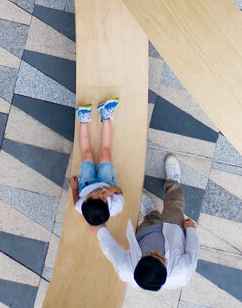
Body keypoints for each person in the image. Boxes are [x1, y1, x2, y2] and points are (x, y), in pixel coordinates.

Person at [96, 155, 199, 293]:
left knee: (150, 220)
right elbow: (192, 250)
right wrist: (191, 230)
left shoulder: (125, 269)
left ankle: (152, 212)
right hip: (174, 230)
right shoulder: (184, 271)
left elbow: (110, 248)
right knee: (175, 205)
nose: (157, 252)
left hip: (147, 234)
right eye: (161, 258)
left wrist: (99, 229)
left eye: (150, 254)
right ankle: (173, 181)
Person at [71, 98, 124, 227]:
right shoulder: (117, 205)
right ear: (105, 201)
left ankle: (83, 119)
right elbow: (119, 190)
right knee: (105, 152)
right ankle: (105, 115)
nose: (95, 191)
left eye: (88, 196)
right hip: (107, 183)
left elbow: (76, 201)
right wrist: (110, 189)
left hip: (86, 183)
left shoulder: (82, 206)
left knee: (87, 153)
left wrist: (74, 189)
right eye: (98, 194)